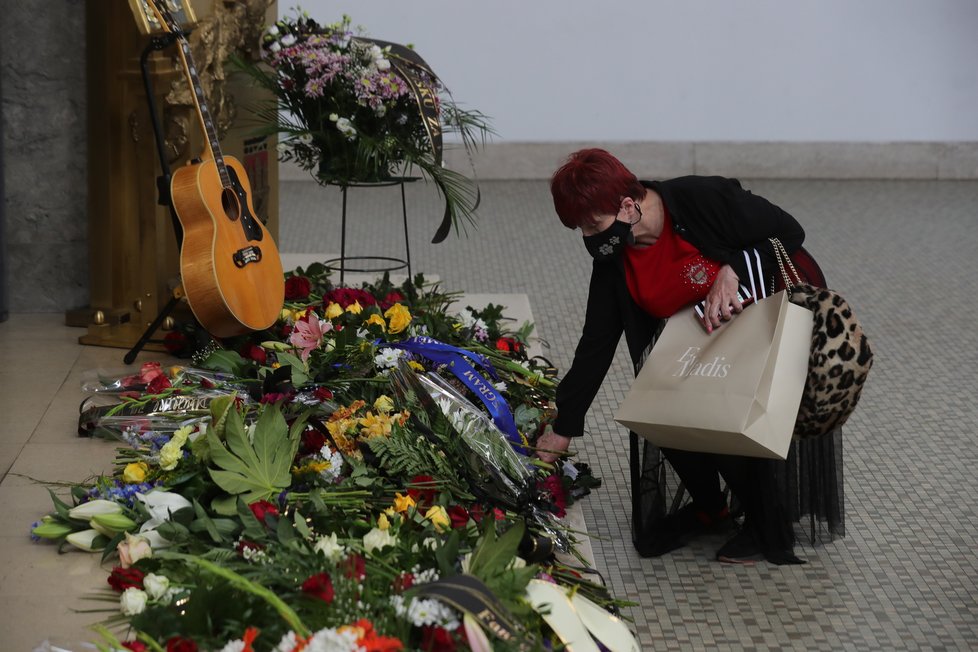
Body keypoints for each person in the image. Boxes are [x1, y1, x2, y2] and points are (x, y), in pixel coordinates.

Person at [535, 148, 828, 565]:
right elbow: (596, 343)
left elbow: (788, 232)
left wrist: (734, 268)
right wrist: (563, 428)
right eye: (580, 229)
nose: (589, 239)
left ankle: (767, 525)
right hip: (706, 337)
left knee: (722, 414)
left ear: (628, 206)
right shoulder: (615, 256)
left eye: (593, 225)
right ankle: (713, 507)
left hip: (768, 318)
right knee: (660, 404)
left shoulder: (701, 199)